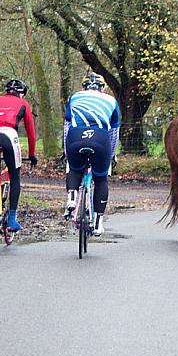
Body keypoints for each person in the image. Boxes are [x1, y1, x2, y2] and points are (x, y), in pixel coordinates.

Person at [63, 72, 120, 235]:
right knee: (101, 179)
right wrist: (111, 155)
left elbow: (67, 127)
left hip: (75, 136)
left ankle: (72, 197)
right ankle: (98, 222)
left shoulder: (74, 97)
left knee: (74, 168)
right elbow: (114, 132)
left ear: (84, 87)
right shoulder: (111, 100)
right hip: (100, 139)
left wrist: (67, 152)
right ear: (103, 88)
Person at [0, 79, 38, 231]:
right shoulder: (23, 104)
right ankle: (11, 220)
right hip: (8, 135)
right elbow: (31, 133)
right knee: (15, 174)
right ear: (22, 93)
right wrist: (32, 155)